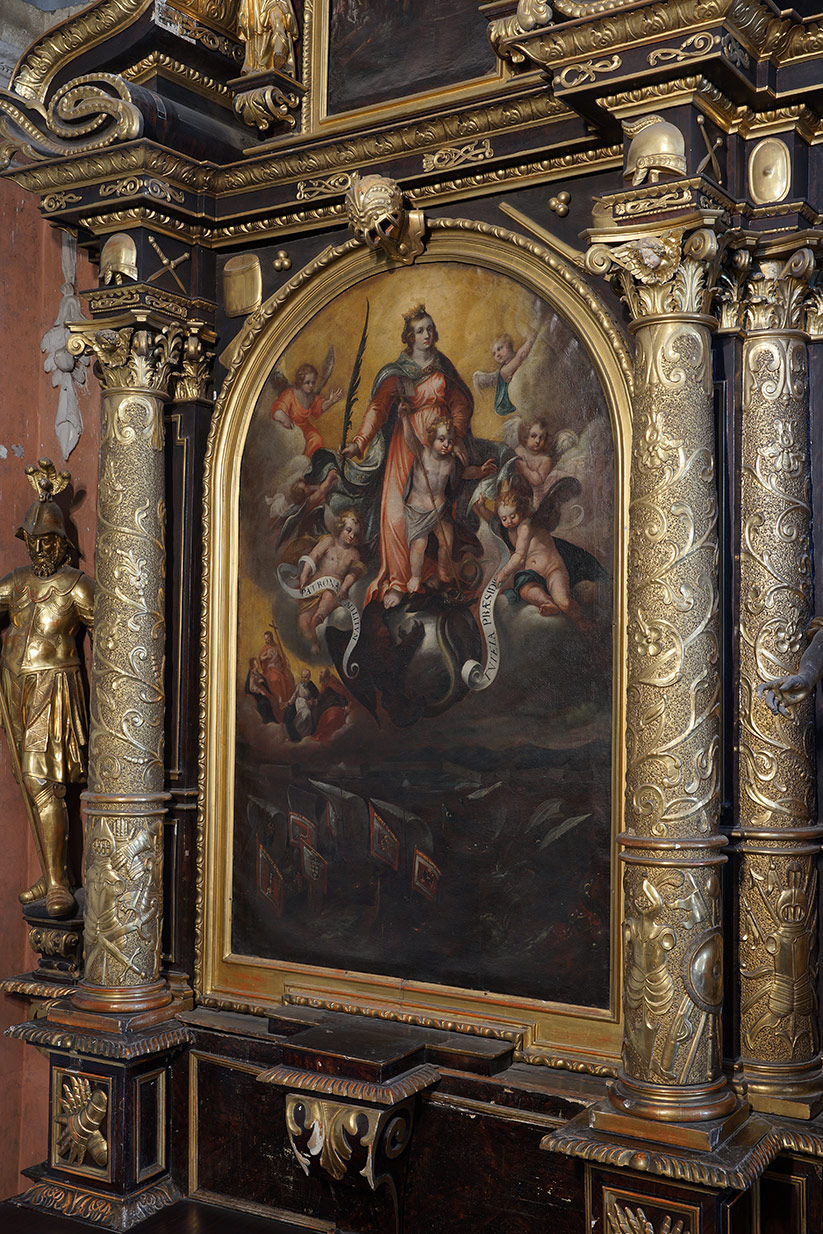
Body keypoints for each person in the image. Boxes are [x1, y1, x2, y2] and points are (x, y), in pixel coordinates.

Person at [0, 461, 95, 916]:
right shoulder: (16, 583)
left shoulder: (76, 586)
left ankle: (58, 883)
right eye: (33, 540)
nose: (39, 548)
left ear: (62, 543)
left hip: (54, 690)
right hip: (15, 688)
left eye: (47, 540)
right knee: (28, 780)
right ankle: (53, 870)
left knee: (44, 784)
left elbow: (116, 636)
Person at [341, 304, 475, 608]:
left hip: (440, 444)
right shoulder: (397, 373)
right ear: (409, 337)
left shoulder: (442, 368)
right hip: (406, 443)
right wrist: (359, 442)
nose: (427, 335)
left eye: (430, 329)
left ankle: (432, 573)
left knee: (438, 510)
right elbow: (377, 408)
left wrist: (455, 436)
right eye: (420, 331)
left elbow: (460, 404)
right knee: (396, 514)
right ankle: (399, 581)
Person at [402, 414, 496, 594]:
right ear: (432, 439)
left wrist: (480, 471)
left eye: (450, 441)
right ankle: (415, 576)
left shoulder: (451, 462)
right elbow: (410, 439)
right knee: (419, 546)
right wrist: (405, 419)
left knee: (447, 540)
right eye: (441, 439)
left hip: (440, 509)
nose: (446, 444)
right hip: (418, 511)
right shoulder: (423, 453)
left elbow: (465, 473)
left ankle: (443, 569)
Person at [494, 487, 589, 631]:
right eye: (504, 519)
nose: (509, 521)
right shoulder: (510, 531)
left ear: (520, 511)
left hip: (552, 569)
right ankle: (548, 603)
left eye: (512, 516)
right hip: (532, 575)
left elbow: (519, 557)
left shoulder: (526, 526)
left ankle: (581, 621)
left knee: (563, 601)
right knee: (526, 590)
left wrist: (504, 572)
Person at [297, 510, 366, 654]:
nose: (351, 536)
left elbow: (352, 574)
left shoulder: (354, 554)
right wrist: (304, 575)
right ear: (340, 527)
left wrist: (344, 587)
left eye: (355, 534)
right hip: (315, 586)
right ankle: (314, 641)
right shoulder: (329, 541)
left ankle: (320, 617)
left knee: (326, 599)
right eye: (348, 530)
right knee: (303, 622)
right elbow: (313, 556)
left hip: (334, 589)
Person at [271, 363, 344, 459]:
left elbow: (319, 407)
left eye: (313, 383)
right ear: (300, 382)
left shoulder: (310, 397)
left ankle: (312, 464)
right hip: (291, 429)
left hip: (306, 429)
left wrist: (331, 401)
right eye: (307, 382)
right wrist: (285, 418)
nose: (311, 386)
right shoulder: (290, 394)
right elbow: (277, 410)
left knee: (316, 439)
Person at [473, 331, 536, 417]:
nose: (497, 355)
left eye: (499, 349)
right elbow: (520, 356)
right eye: (494, 354)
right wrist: (531, 340)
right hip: (512, 404)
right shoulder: (504, 370)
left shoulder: (515, 357)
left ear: (509, 344)